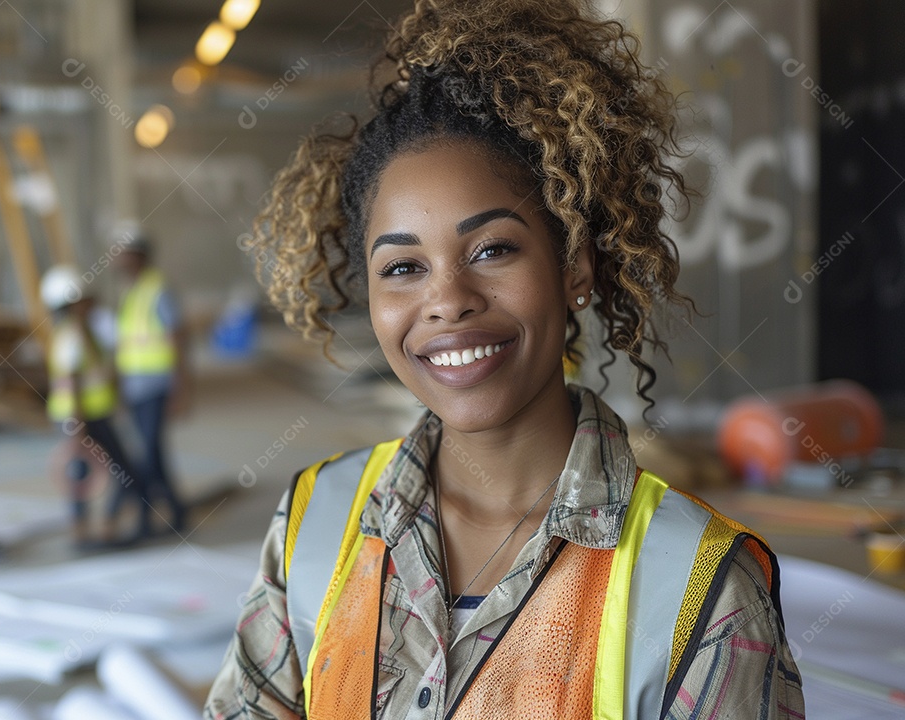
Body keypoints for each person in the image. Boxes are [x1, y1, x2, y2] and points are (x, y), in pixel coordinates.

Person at [204, 0, 804, 717]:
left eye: (492, 250)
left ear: (575, 268)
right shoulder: (314, 523)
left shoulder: (701, 591)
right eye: (402, 268)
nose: (447, 300)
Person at [41, 264, 149, 547]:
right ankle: (88, 531)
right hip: (79, 418)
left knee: (108, 472)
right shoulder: (71, 339)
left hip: (93, 414)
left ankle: (102, 527)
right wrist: (77, 429)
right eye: (83, 299)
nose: (91, 302)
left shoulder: (85, 333)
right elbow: (73, 384)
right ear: (71, 305)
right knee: (89, 474)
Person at [114, 234, 190, 533]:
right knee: (151, 453)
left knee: (148, 452)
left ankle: (147, 515)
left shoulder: (157, 289)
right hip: (135, 386)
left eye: (124, 253)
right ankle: (174, 509)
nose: (118, 259)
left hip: (156, 386)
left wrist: (181, 388)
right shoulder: (129, 291)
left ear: (140, 256)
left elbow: (177, 338)